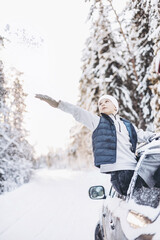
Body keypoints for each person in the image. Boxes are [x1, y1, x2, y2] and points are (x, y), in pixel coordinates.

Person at [35, 93, 159, 196]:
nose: (103, 104)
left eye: (106, 101)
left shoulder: (127, 125)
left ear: (115, 107)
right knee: (138, 200)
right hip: (119, 171)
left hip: (135, 168)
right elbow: (78, 112)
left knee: (152, 192)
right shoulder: (98, 122)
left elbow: (142, 135)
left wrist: (155, 136)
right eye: (100, 103)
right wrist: (58, 104)